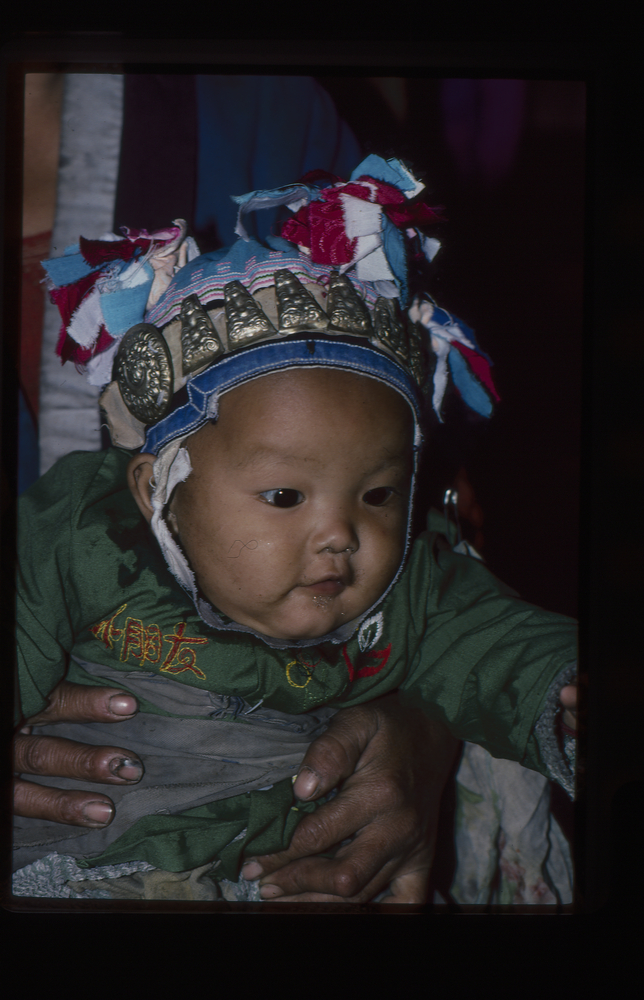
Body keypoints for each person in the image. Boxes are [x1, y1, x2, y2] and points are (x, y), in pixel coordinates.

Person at [13, 155, 577, 902]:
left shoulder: (411, 583)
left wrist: (563, 685)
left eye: (377, 494)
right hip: (86, 871)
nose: (339, 532)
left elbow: (493, 641)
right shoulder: (92, 533)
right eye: (284, 495)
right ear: (159, 489)